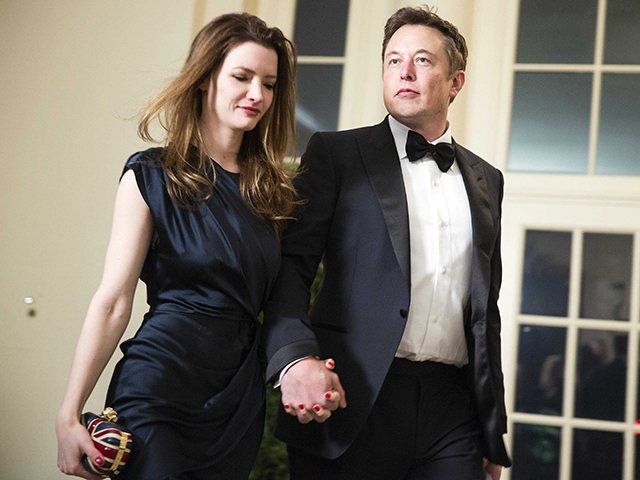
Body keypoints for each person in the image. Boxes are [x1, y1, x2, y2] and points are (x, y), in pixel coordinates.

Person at [262, 5, 512, 480]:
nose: (405, 72)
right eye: (394, 60)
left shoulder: (488, 180)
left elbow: (486, 313)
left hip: (452, 409)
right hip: (352, 396)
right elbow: (290, 269)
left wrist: (491, 427)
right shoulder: (336, 154)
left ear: (455, 82)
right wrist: (294, 357)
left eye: (423, 60)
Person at [56, 12, 300, 480]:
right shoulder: (151, 175)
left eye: (269, 84)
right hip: (159, 385)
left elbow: (282, 301)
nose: (257, 94)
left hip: (237, 399)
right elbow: (113, 302)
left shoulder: (274, 193)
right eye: (242, 77)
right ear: (205, 77)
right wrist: (69, 414)